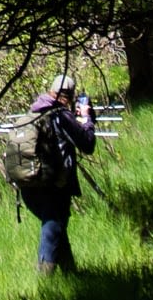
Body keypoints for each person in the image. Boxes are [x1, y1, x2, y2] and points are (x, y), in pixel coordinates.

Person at [19, 72, 100, 274]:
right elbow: (87, 144)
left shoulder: (34, 111)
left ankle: (71, 274)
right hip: (53, 184)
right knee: (53, 225)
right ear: (70, 96)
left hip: (28, 183)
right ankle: (44, 276)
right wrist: (86, 119)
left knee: (56, 226)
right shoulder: (61, 115)